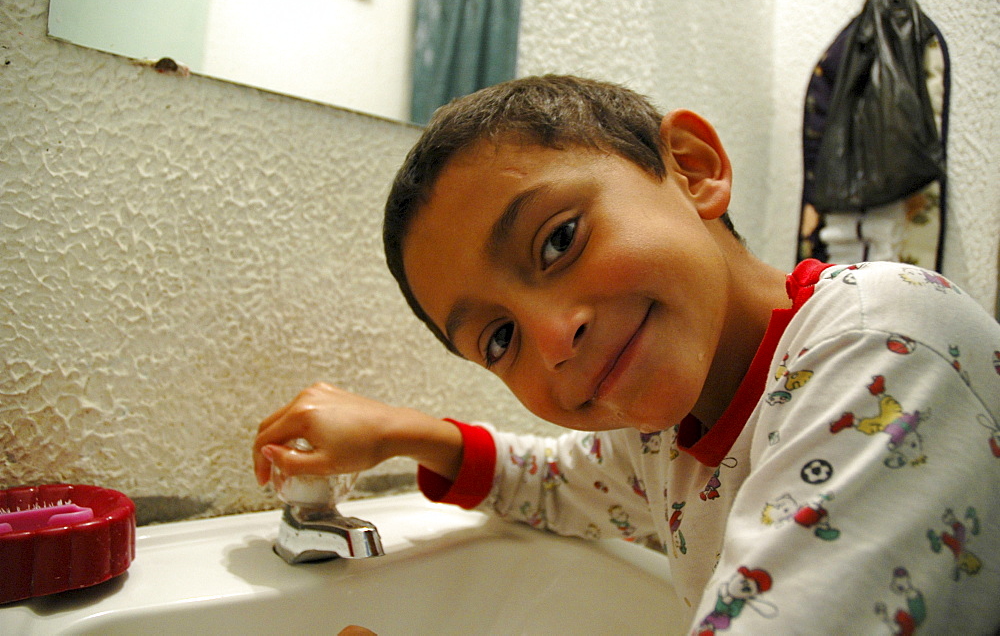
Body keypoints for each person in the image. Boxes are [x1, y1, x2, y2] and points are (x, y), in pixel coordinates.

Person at [253, 75, 1000, 633]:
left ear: (692, 167)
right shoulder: (666, 437)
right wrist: (395, 433)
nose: (551, 340)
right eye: (500, 338)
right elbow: (555, 484)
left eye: (558, 240)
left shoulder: (887, 346)